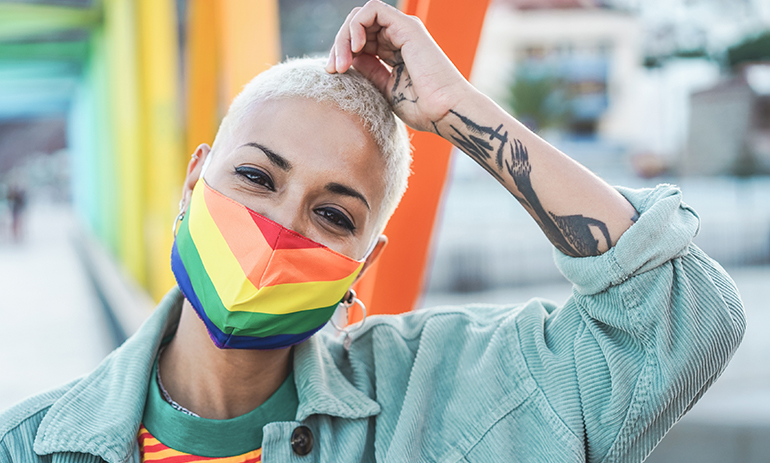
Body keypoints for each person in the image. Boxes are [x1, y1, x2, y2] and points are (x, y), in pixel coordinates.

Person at [0, 2, 745, 462]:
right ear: (195, 179)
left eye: (334, 214)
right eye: (257, 177)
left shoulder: (440, 394)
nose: (280, 226)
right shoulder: (31, 445)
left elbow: (678, 319)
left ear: (363, 266)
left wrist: (460, 111)